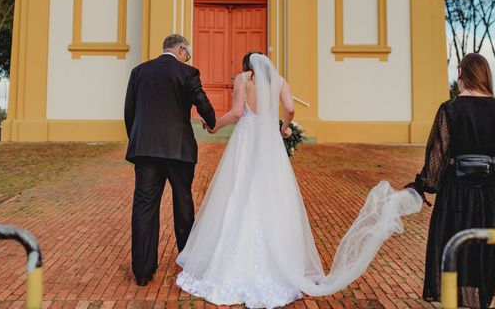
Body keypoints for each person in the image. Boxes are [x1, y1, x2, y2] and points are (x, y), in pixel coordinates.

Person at [175, 51, 422, 308]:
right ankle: (278, 261)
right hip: (269, 141)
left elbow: (237, 112)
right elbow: (290, 108)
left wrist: (214, 126)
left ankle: (229, 259)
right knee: (272, 195)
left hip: (246, 141)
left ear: (246, 66)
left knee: (239, 191)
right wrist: (283, 127)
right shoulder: (279, 81)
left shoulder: (242, 79)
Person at [406, 53, 495, 309]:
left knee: (456, 248)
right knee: (489, 248)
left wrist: (422, 184)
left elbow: (438, 155)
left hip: (460, 191)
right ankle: (484, 303)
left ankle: (460, 302)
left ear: (461, 73)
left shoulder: (450, 109)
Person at [124, 34, 216, 286]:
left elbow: (129, 112)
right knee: (183, 203)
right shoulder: (187, 73)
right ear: (181, 49)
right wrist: (211, 120)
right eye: (188, 53)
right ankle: (187, 263)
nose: (188, 57)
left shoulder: (139, 71)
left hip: (146, 150)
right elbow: (203, 104)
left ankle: (142, 272)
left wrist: (138, 140)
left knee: (144, 207)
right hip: (179, 150)